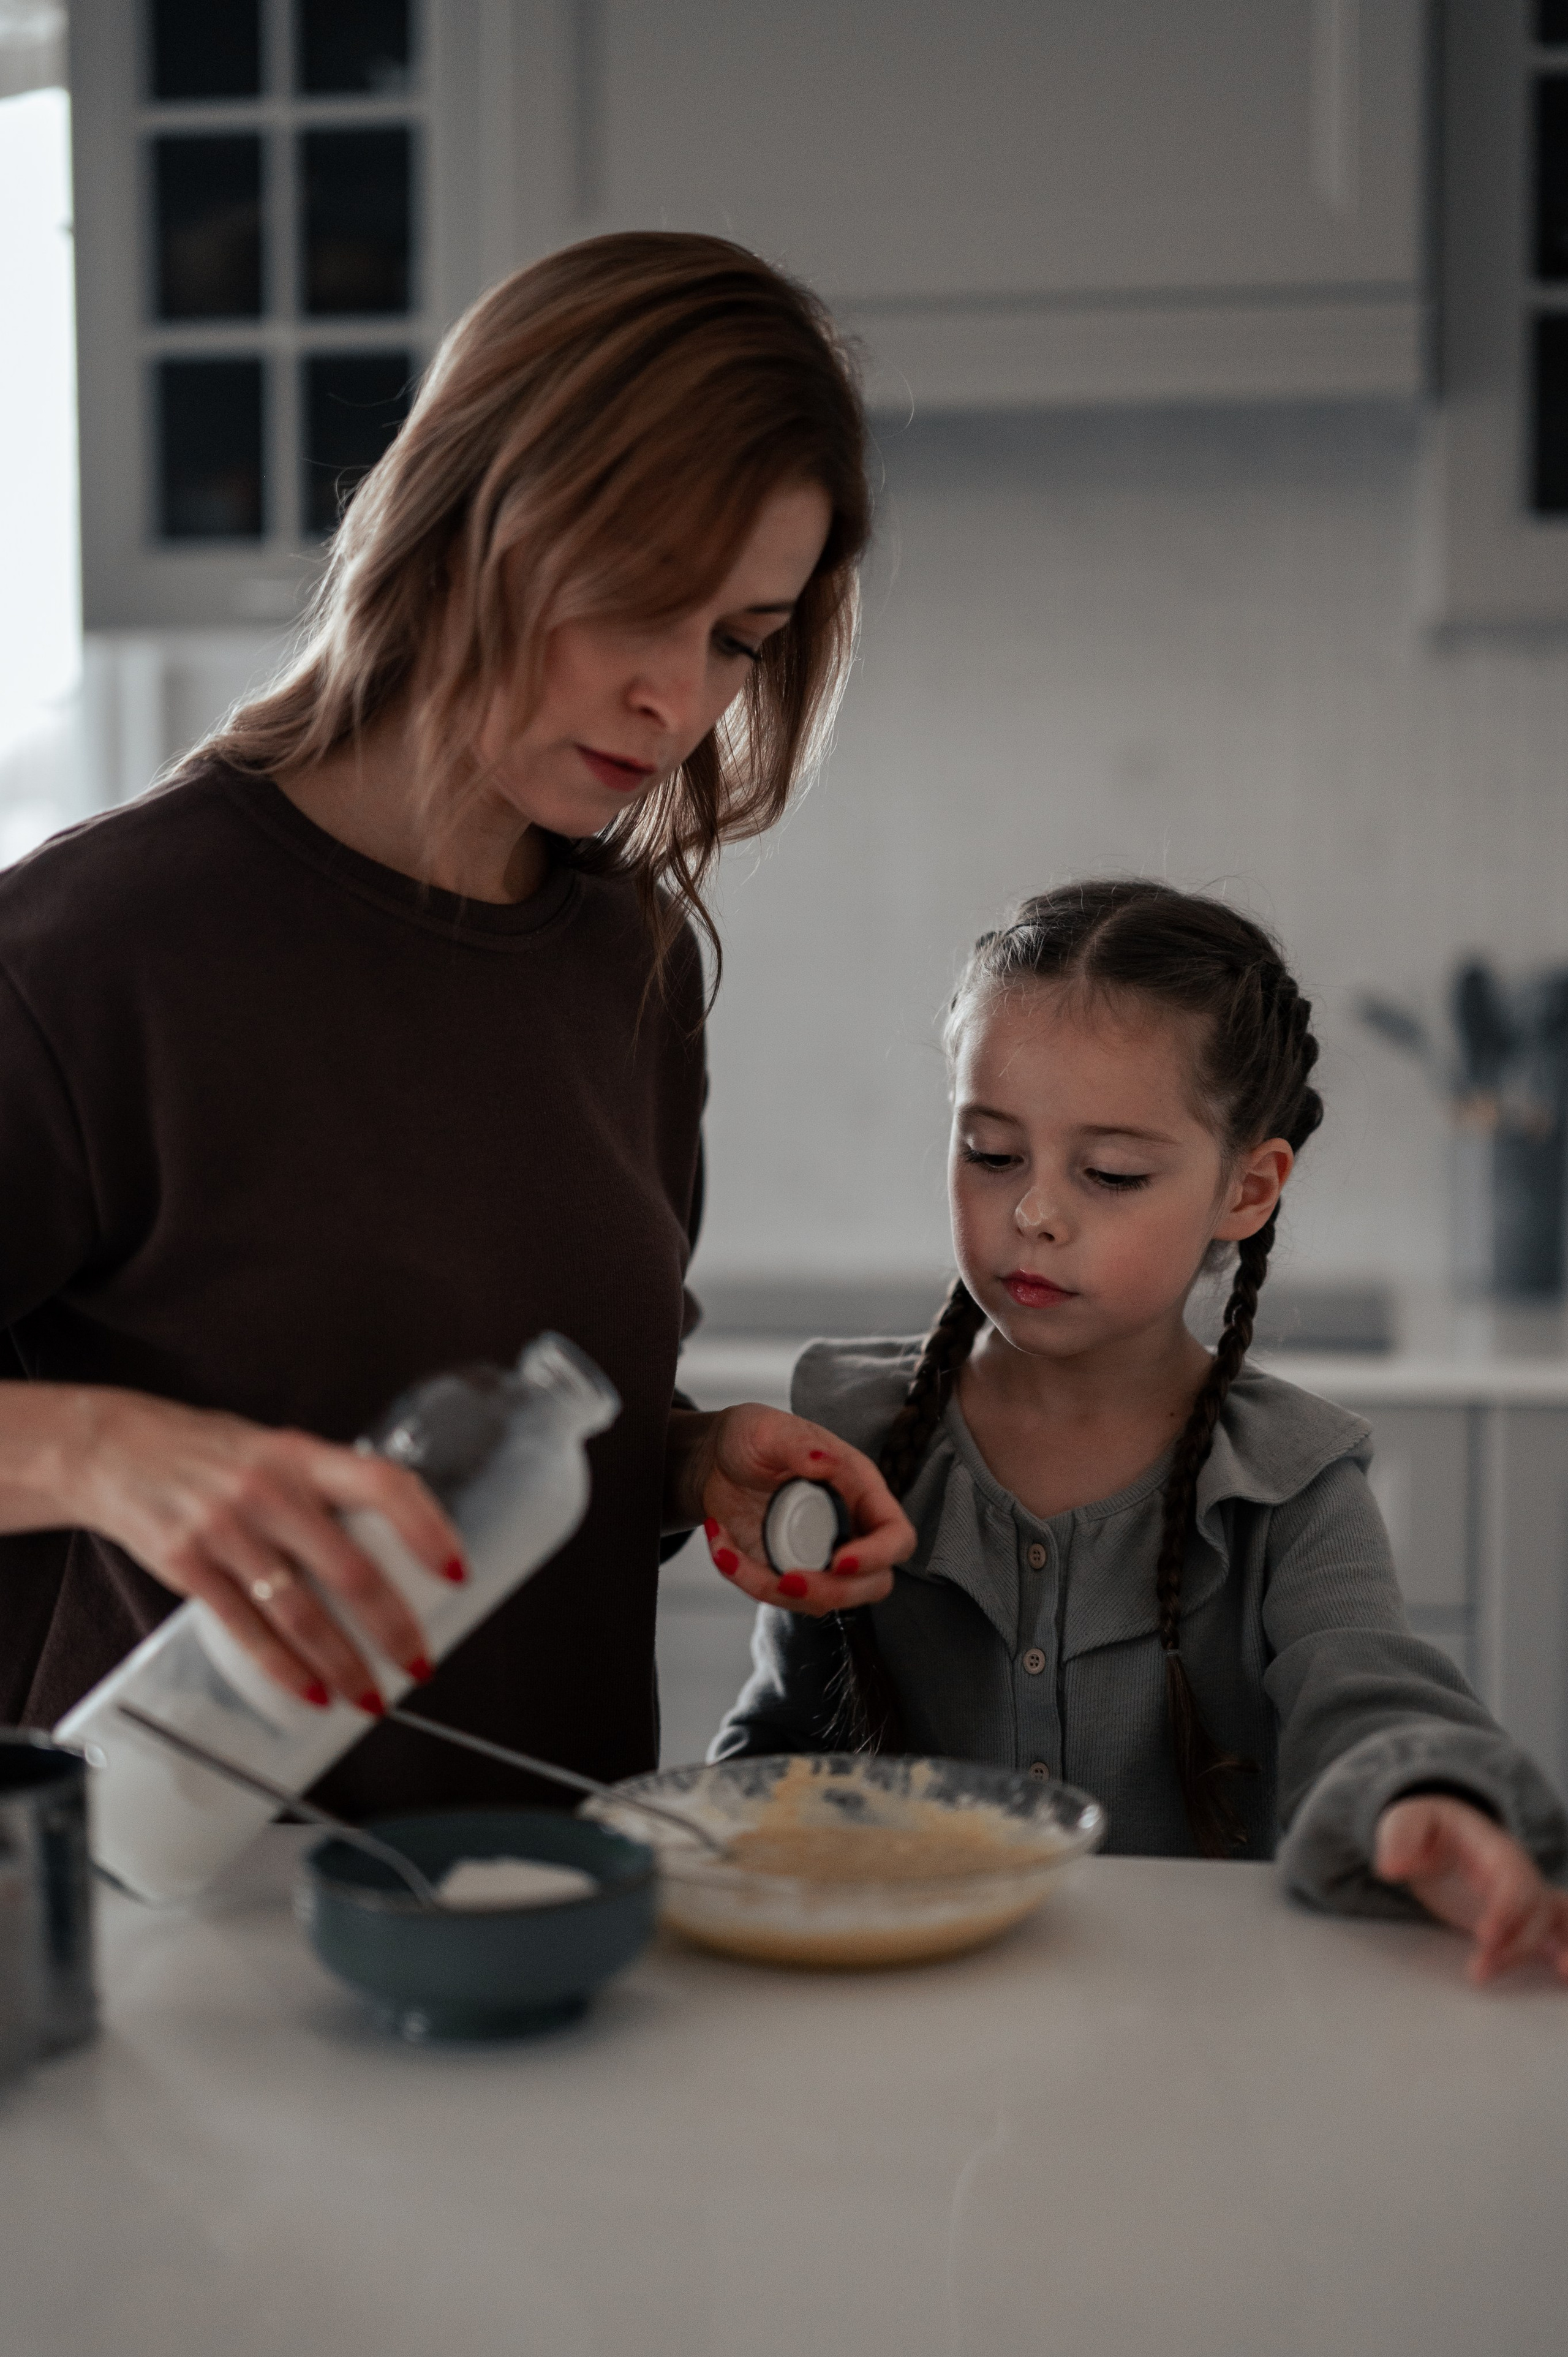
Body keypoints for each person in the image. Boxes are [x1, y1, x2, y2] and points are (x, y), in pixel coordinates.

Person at [0, 232, 913, 1819]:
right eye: (638, 604)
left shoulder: (630, 960)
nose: (680, 702)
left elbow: (491, 1440)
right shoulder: (92, 954)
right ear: (473, 520)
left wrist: (690, 1463)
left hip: (538, 1925)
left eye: (738, 642)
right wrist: (94, 1452)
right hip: (169, 1960)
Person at [713, 880, 1568, 1983]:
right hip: (906, 2040)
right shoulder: (851, 1441)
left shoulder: (1291, 1485)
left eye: (1111, 1173)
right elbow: (780, 1750)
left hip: (1203, 2046)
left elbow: (1369, 1691)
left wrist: (1429, 1799)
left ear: (1248, 1190)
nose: (1037, 1213)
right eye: (990, 1152)